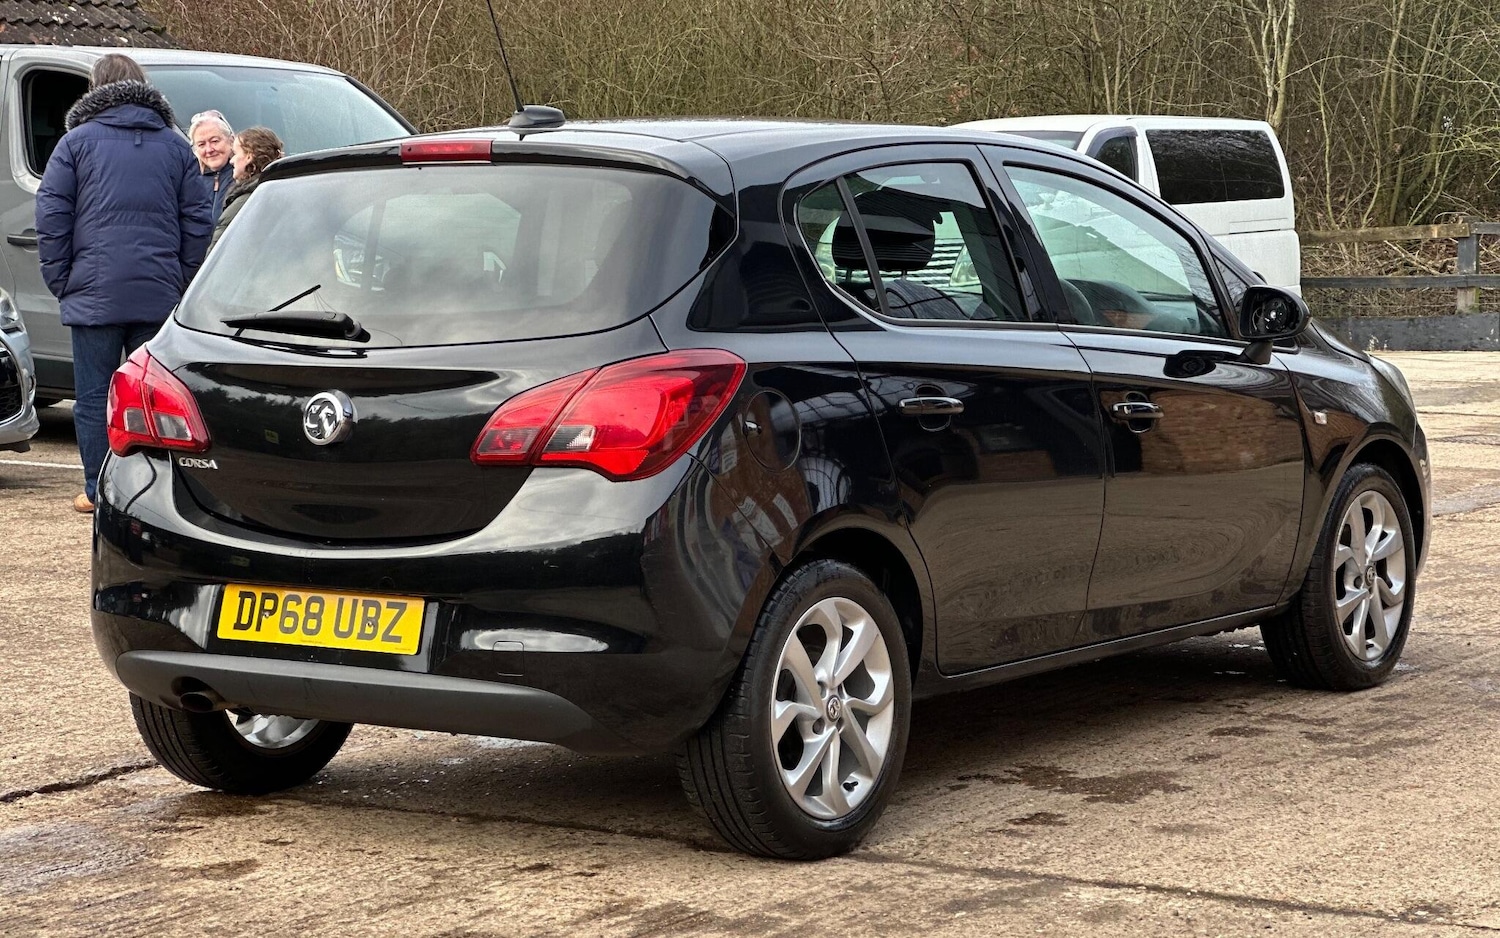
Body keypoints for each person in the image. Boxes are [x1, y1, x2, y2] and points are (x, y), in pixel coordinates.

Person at [35, 54, 212, 514]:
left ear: (94, 88)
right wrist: (182, 278)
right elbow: (197, 220)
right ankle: (150, 496)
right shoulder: (175, 146)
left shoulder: (75, 143)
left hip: (92, 295)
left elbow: (51, 219)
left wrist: (62, 281)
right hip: (158, 293)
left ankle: (98, 492)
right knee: (154, 400)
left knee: (93, 399)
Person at [209, 126, 284, 250]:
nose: (231, 161)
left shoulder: (246, 202)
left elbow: (218, 254)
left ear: (249, 156)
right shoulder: (282, 192)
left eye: (235, 154)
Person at [189, 109, 235, 219]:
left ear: (231, 141)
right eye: (201, 144)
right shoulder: (190, 183)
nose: (209, 149)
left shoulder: (245, 179)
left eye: (215, 141)